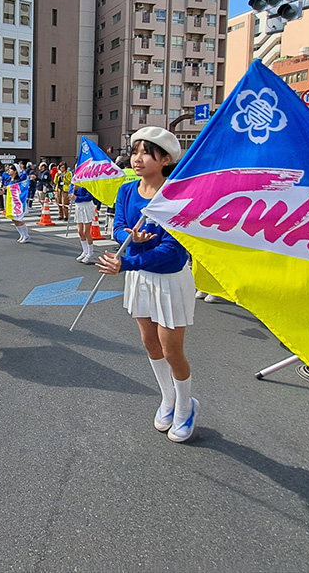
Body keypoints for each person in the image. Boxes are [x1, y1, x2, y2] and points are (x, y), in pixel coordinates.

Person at [95, 126, 199, 443]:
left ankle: (185, 405)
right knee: (149, 342)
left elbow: (172, 251)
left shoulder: (176, 196)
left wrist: (127, 261)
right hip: (140, 278)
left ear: (165, 158)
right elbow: (118, 226)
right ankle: (167, 398)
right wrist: (129, 238)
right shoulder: (127, 190)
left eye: (145, 152)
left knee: (171, 348)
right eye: (135, 151)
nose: (136, 158)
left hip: (168, 279)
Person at [71, 182, 96, 263]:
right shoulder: (75, 183)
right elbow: (72, 194)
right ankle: (84, 251)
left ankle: (90, 252)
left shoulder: (88, 182)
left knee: (86, 231)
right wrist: (74, 191)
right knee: (80, 231)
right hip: (78, 206)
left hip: (87, 206)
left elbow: (89, 197)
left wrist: (77, 198)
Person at [5, 164, 30, 243]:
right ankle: (21, 234)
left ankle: (26, 235)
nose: (9, 171)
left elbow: (21, 191)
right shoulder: (9, 180)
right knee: (14, 219)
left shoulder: (18, 181)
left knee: (19, 220)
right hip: (11, 203)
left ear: (15, 171)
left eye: (11, 169)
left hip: (18, 203)